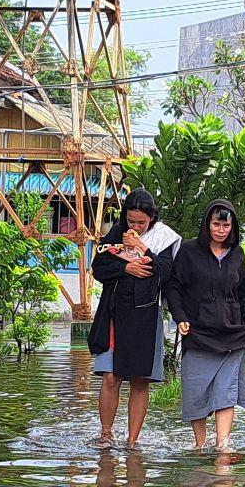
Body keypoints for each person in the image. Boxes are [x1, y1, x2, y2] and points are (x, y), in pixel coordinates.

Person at [87, 188, 182, 449]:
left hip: (145, 315)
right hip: (114, 313)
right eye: (131, 221)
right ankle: (106, 434)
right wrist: (125, 266)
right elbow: (99, 269)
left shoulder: (164, 238)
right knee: (110, 375)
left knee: (141, 380)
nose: (136, 227)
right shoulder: (116, 235)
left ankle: (132, 441)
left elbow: (163, 275)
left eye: (142, 222)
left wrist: (143, 249)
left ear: (152, 218)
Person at [165, 199, 245, 452]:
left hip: (232, 334)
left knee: (226, 391)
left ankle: (223, 444)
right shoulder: (189, 251)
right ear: (207, 224)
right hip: (197, 332)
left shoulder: (237, 253)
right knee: (196, 391)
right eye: (216, 224)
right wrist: (180, 316)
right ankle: (200, 444)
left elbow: (244, 292)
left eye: (226, 225)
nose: (221, 230)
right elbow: (173, 286)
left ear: (232, 227)